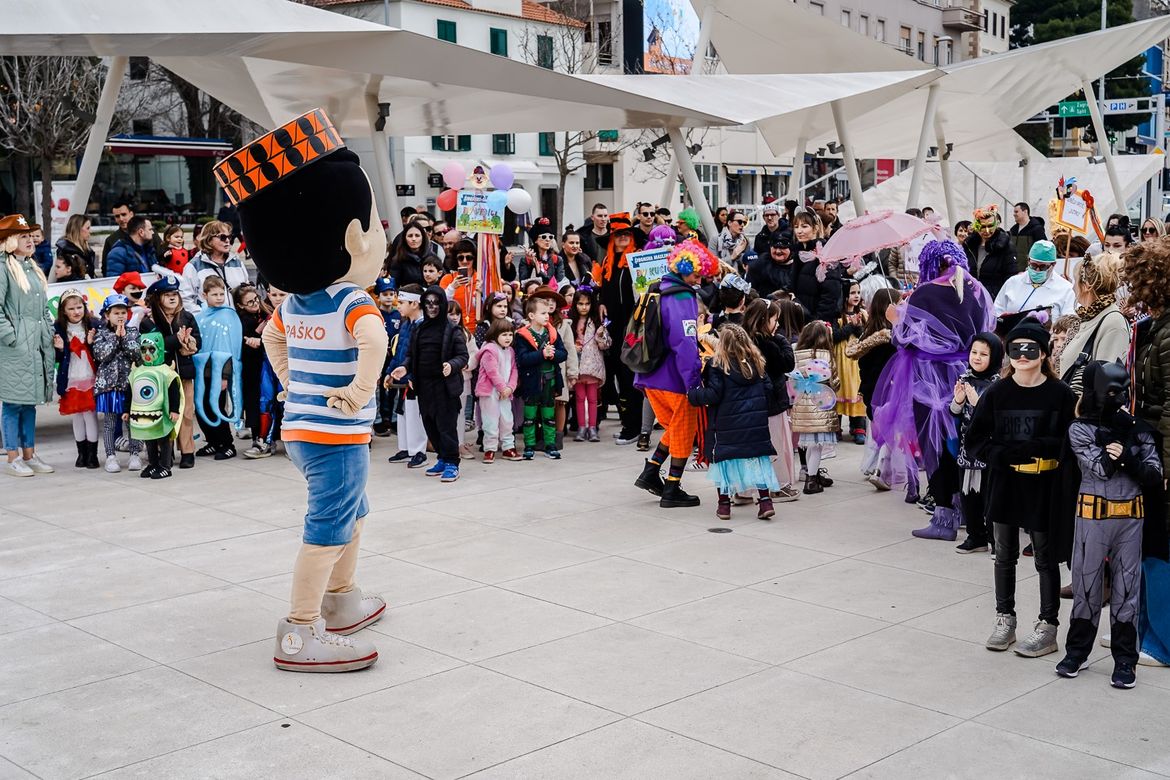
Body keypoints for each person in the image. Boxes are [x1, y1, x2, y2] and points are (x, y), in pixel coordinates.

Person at [223, 114, 390, 672]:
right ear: (353, 236)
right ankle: (298, 630)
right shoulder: (349, 299)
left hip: (303, 431)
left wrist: (292, 380)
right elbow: (375, 340)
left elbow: (273, 339)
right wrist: (360, 389)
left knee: (353, 511)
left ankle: (342, 599)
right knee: (327, 527)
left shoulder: (293, 304)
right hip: (337, 435)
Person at [965, 319, 1077, 657]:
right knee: (1004, 554)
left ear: (1044, 353)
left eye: (1031, 348)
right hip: (1006, 483)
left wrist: (1044, 447)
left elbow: (1074, 440)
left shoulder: (1061, 395)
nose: (1023, 354)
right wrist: (999, 455)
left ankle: (1048, 625)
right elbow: (974, 440)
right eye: (1016, 348)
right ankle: (1005, 618)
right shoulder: (997, 393)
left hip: (1045, 485)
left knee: (1045, 557)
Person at [872, 239, 994, 534]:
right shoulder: (977, 290)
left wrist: (895, 319)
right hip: (968, 375)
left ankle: (943, 517)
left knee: (935, 444)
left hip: (930, 378)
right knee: (964, 443)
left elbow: (905, 340)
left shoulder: (926, 292)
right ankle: (967, 511)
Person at [1057, 361, 1162, 688]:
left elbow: (1154, 475)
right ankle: (1077, 652)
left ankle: (1125, 661)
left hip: (1131, 518)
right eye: (1111, 391)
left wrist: (1127, 455)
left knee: (1126, 591)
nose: (1119, 397)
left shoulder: (1140, 429)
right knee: (1086, 587)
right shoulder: (1080, 429)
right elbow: (1098, 469)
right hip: (1093, 516)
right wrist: (1119, 452)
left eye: (1123, 390)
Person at [632, 240, 717, 508]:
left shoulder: (656, 289)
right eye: (695, 273)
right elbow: (685, 343)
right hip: (674, 378)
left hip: (649, 375)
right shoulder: (682, 297)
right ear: (683, 268)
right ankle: (672, 488)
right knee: (683, 431)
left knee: (675, 427)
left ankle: (650, 472)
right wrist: (693, 381)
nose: (699, 278)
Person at [1123, 239, 1170, 668]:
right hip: (1152, 446)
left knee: (1160, 546)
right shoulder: (1158, 325)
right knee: (1150, 545)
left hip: (1162, 453)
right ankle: (1141, 629)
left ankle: (1161, 639)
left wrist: (1165, 466)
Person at [688, 324, 780, 520]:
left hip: (726, 426)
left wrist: (693, 395)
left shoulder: (718, 364)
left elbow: (713, 394)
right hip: (755, 426)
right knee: (758, 463)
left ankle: (724, 506)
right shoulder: (757, 362)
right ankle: (765, 503)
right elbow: (768, 389)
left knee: (723, 464)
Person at [391, 286, 468, 481]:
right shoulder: (419, 329)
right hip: (423, 386)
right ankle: (442, 458)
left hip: (445, 387)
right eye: (428, 303)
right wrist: (405, 368)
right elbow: (411, 354)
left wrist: (452, 365)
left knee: (446, 425)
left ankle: (452, 462)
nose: (432, 307)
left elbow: (463, 355)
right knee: (430, 424)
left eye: (436, 303)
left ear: (442, 304)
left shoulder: (452, 330)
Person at [0, 214, 55, 477]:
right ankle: (12, 457)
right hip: (16, 344)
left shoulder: (32, 267)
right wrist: (12, 338)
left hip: (36, 342)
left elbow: (43, 307)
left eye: (30, 235)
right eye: (23, 236)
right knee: (13, 402)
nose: (30, 239)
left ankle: (29, 454)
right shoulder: (3, 267)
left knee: (29, 401)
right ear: (10, 240)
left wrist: (48, 330)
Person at [847, 288, 910, 495]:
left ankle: (877, 467)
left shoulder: (867, 333)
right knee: (891, 429)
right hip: (889, 387)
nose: (903, 306)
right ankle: (881, 470)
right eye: (899, 303)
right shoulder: (890, 336)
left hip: (871, 388)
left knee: (881, 430)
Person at [140, 276, 201, 468]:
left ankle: (188, 452)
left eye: (175, 294)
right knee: (165, 413)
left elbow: (198, 341)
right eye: (167, 295)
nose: (173, 298)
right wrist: (177, 339)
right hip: (161, 377)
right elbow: (155, 346)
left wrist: (190, 343)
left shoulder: (187, 316)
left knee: (186, 413)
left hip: (184, 373)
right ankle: (165, 452)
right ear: (158, 299)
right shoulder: (148, 322)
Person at [951, 332, 1003, 554]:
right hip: (967, 450)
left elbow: (996, 420)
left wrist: (977, 403)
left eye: (984, 354)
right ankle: (975, 536)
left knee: (989, 498)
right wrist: (958, 400)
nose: (977, 357)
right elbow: (954, 413)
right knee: (968, 495)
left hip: (988, 453)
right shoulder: (965, 378)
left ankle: (996, 541)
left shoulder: (997, 385)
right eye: (974, 352)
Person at [593, 212, 642, 444]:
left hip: (633, 326)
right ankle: (627, 422)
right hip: (613, 326)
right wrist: (602, 302)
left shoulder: (637, 260)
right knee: (616, 375)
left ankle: (634, 427)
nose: (622, 238)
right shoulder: (607, 263)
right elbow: (605, 289)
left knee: (629, 375)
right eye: (618, 234)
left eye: (626, 234)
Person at [743, 298, 799, 502]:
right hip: (772, 403)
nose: (777, 324)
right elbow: (787, 363)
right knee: (775, 444)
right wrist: (781, 340)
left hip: (749, 405)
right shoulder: (769, 344)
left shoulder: (744, 341)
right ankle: (777, 485)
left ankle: (744, 490)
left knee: (750, 448)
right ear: (765, 320)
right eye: (775, 319)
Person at [1057, 252, 1130, 395]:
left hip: (1087, 414)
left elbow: (1106, 383)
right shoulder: (1089, 317)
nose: (1073, 287)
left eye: (1075, 280)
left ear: (1086, 286)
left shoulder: (1113, 321)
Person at [92, 294, 143, 473]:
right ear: (107, 315)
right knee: (110, 422)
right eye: (116, 313)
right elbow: (101, 355)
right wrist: (115, 338)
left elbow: (138, 355)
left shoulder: (134, 333)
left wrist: (124, 339)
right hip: (109, 386)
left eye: (123, 312)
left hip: (129, 385)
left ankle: (135, 454)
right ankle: (110, 456)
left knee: (133, 421)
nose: (120, 316)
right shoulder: (101, 334)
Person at [514, 292, 567, 460]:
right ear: (531, 315)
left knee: (548, 414)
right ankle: (529, 445)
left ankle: (550, 444)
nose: (547, 316)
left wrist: (553, 355)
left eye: (548, 313)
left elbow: (563, 353)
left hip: (550, 380)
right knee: (529, 415)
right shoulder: (522, 335)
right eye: (543, 313)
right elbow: (522, 359)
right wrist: (542, 354)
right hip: (531, 381)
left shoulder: (552, 333)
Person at [192, 276, 240, 460]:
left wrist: (225, 375)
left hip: (220, 371)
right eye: (214, 294)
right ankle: (213, 442)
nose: (219, 298)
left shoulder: (228, 316)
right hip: (202, 369)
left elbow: (229, 347)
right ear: (204, 295)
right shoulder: (200, 317)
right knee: (201, 407)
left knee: (217, 407)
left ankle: (227, 444)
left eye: (222, 294)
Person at [53, 288, 99, 469]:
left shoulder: (93, 324)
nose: (76, 312)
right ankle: (82, 453)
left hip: (89, 375)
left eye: (79, 307)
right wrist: (60, 349)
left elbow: (100, 352)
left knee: (90, 414)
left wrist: (90, 343)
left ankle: (93, 454)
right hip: (71, 376)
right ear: (64, 311)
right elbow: (56, 359)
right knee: (77, 415)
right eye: (71, 309)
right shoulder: (59, 328)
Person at [127, 331, 184, 480]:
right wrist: (127, 410)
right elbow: (130, 392)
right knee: (149, 439)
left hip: (162, 413)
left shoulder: (166, 372)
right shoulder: (137, 372)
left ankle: (165, 466)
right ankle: (153, 464)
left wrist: (174, 410)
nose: (147, 353)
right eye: (144, 349)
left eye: (151, 349)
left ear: (159, 349)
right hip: (143, 415)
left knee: (164, 440)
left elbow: (174, 392)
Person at [791, 320, 839, 494]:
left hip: (803, 408)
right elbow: (835, 382)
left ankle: (813, 473)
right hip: (821, 407)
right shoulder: (826, 356)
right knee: (817, 446)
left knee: (810, 445)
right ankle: (811, 480)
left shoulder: (796, 353)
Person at [385, 285, 427, 468]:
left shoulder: (423, 326)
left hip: (416, 378)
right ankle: (406, 448)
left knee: (415, 414)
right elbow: (399, 352)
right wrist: (389, 372)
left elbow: (421, 356)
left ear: (415, 303)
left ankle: (419, 451)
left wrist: (412, 375)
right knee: (402, 413)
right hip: (402, 376)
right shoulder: (405, 324)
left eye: (401, 302)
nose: (398, 306)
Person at [993, 239, 1076, 321]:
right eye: (1033, 265)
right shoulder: (1013, 282)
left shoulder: (1066, 289)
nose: (1037, 270)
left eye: (1043, 267)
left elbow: (1069, 321)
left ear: (1053, 264)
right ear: (1028, 261)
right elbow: (996, 311)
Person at [475, 317, 521, 463]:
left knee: (507, 419)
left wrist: (510, 388)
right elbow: (492, 372)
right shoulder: (489, 350)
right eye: (504, 334)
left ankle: (508, 447)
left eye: (510, 334)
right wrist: (503, 388)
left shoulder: (511, 351)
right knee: (490, 421)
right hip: (490, 392)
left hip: (505, 392)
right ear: (495, 334)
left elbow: (514, 370)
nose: (508, 338)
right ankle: (490, 448)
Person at [570, 285, 611, 442]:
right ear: (575, 304)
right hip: (578, 366)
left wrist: (601, 336)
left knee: (593, 399)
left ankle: (592, 427)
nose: (584, 307)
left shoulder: (596, 321)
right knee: (579, 399)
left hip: (593, 366)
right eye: (580, 304)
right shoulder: (571, 322)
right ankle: (581, 427)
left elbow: (606, 344)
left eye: (587, 303)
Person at [181, 221, 250, 312]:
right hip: (210, 323)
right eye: (222, 237)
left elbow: (246, 292)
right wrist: (204, 317)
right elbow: (186, 299)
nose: (227, 240)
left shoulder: (237, 263)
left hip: (237, 321)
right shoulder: (193, 266)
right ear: (209, 240)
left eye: (229, 237)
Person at [233, 283, 269, 454]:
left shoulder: (265, 312)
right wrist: (254, 341)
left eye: (256, 299)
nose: (255, 303)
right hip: (251, 368)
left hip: (266, 363)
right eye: (250, 302)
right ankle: (257, 436)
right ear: (240, 305)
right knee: (254, 402)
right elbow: (242, 343)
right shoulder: (241, 321)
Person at [790, 212, 843, 323]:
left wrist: (817, 321)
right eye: (796, 227)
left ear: (815, 228)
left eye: (804, 226)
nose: (799, 231)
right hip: (800, 319)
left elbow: (830, 293)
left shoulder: (825, 255)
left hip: (817, 324)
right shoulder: (800, 253)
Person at [835, 279, 868, 445]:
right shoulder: (836, 315)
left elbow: (866, 335)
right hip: (840, 360)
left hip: (856, 361)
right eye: (852, 292)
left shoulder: (863, 313)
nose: (856, 296)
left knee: (857, 389)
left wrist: (859, 326)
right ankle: (836, 427)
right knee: (839, 389)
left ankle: (858, 427)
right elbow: (834, 336)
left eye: (858, 292)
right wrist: (851, 327)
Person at [963, 205, 1015, 298]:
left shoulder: (1005, 246)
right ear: (976, 226)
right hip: (971, 297)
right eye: (983, 226)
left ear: (996, 224)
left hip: (994, 299)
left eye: (990, 226)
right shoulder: (969, 245)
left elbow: (1010, 276)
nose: (987, 231)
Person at [101, 200, 163, 276]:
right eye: (117, 216)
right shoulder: (111, 240)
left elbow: (161, 255)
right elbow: (107, 269)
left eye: (124, 214)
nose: (121, 219)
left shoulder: (150, 234)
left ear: (131, 214)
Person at [385, 222, 434, 288]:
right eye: (410, 236)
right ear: (404, 238)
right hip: (407, 296)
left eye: (417, 235)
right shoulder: (398, 260)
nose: (413, 239)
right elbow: (393, 286)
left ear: (423, 237)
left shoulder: (432, 257)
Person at [747, 234, 796, 298]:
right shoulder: (759, 265)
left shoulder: (799, 266)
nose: (778, 251)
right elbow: (749, 292)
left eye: (782, 247)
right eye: (775, 247)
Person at [521, 217, 565, 283]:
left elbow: (559, 282)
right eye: (544, 237)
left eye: (550, 237)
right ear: (535, 240)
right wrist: (532, 265)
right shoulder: (526, 260)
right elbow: (524, 282)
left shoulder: (557, 259)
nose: (547, 239)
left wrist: (539, 270)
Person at [55, 214, 96, 279]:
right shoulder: (65, 251)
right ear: (78, 229)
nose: (90, 231)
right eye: (87, 228)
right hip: (72, 287)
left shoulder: (87, 250)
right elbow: (65, 277)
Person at [1008, 202, 1048, 270]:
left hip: (1030, 270)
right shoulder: (1013, 230)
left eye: (1016, 212)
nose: (1014, 214)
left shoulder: (1037, 229)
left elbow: (1043, 249)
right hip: (1014, 270)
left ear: (1025, 211)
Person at [578, 203, 609, 267]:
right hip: (591, 273)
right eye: (600, 216)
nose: (603, 219)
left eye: (605, 216)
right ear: (592, 217)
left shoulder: (614, 235)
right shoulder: (583, 238)